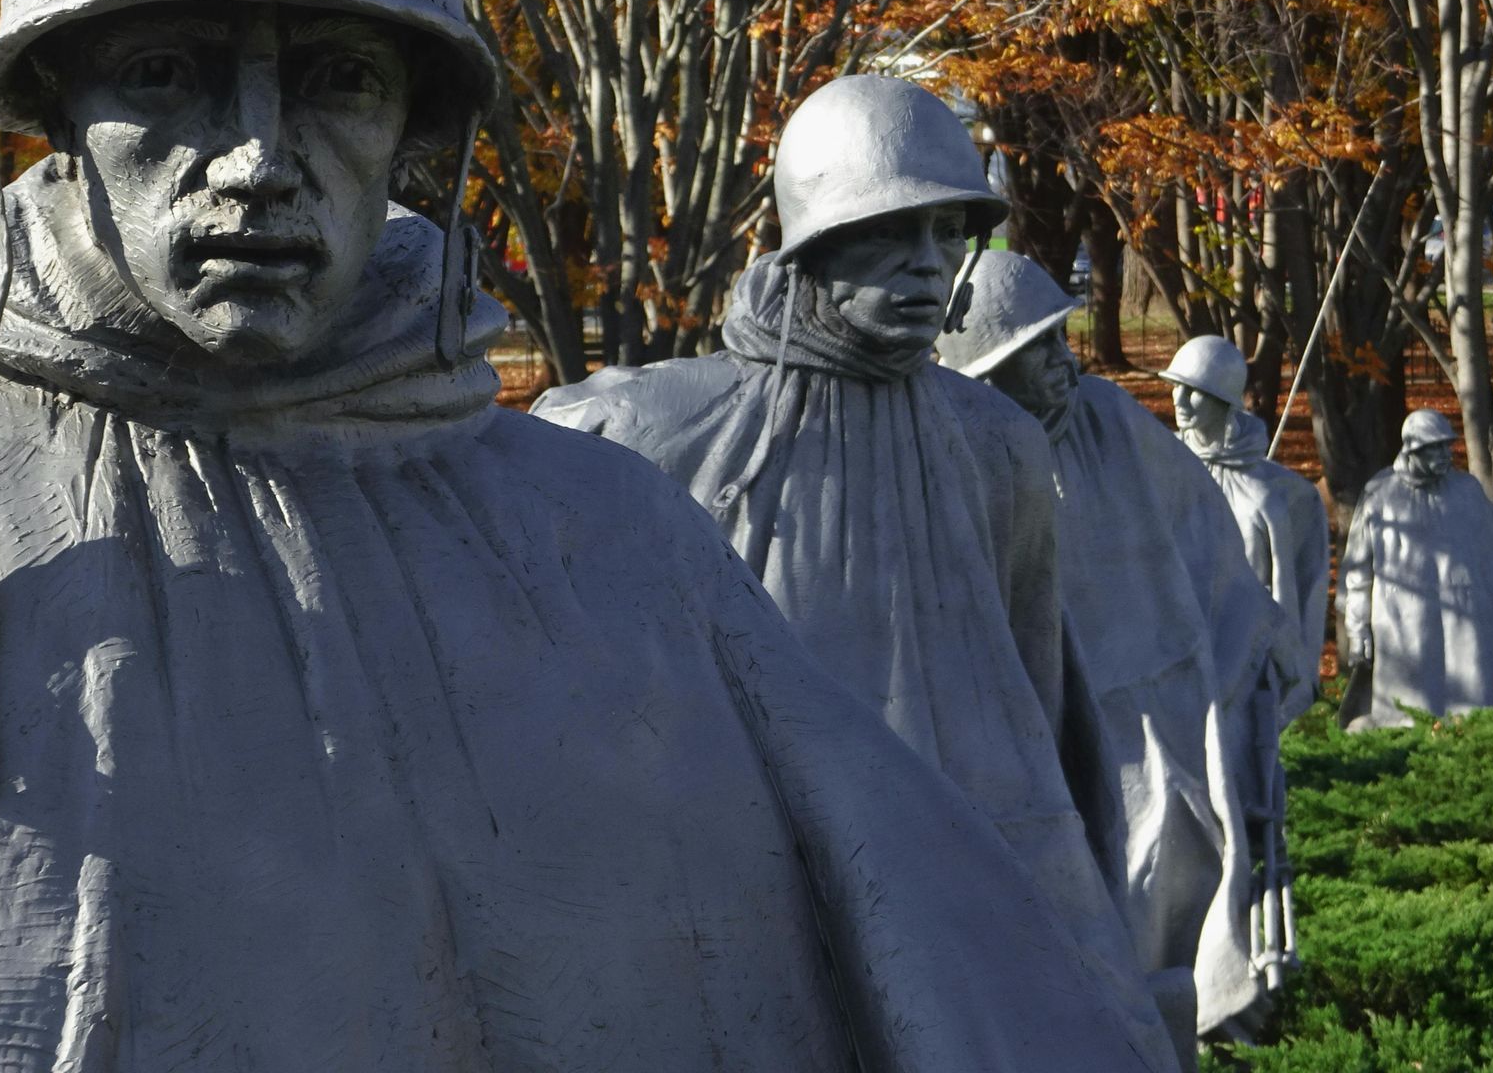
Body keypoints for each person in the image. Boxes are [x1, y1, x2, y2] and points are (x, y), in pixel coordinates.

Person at [0, 0, 1180, 1071]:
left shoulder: (615, 546)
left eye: (337, 80)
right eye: (168, 73)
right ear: (55, 106)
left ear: (416, 132)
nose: (259, 157)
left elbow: (968, 950)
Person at [535, 75, 1168, 1054]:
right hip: (754, 905)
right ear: (813, 240)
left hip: (975, 902)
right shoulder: (651, 435)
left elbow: (1039, 709)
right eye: (889, 233)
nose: (927, 270)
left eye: (947, 235)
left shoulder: (998, 446)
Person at [938, 252, 1305, 1058]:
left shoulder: (1111, 419)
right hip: (1030, 731)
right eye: (1036, 350)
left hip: (1156, 713)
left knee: (1168, 872)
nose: (1063, 360)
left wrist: (1257, 636)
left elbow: (1202, 534)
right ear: (988, 374)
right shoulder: (952, 452)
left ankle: (1173, 1022)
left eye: (1060, 337)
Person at [1338, 410, 1493, 730]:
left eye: (1447, 446)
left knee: (1472, 707)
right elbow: (1358, 568)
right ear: (1412, 449)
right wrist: (1357, 625)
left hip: (1465, 620)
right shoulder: (1381, 493)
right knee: (1404, 715)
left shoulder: (1467, 490)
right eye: (1435, 448)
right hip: (1401, 622)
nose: (1446, 455)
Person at [1162, 335, 1331, 710]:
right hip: (1172, 650)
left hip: (1242, 659)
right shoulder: (1161, 469)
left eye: (1193, 391)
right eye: (1176, 387)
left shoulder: (1266, 496)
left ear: (1224, 400)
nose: (1179, 400)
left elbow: (1282, 595)